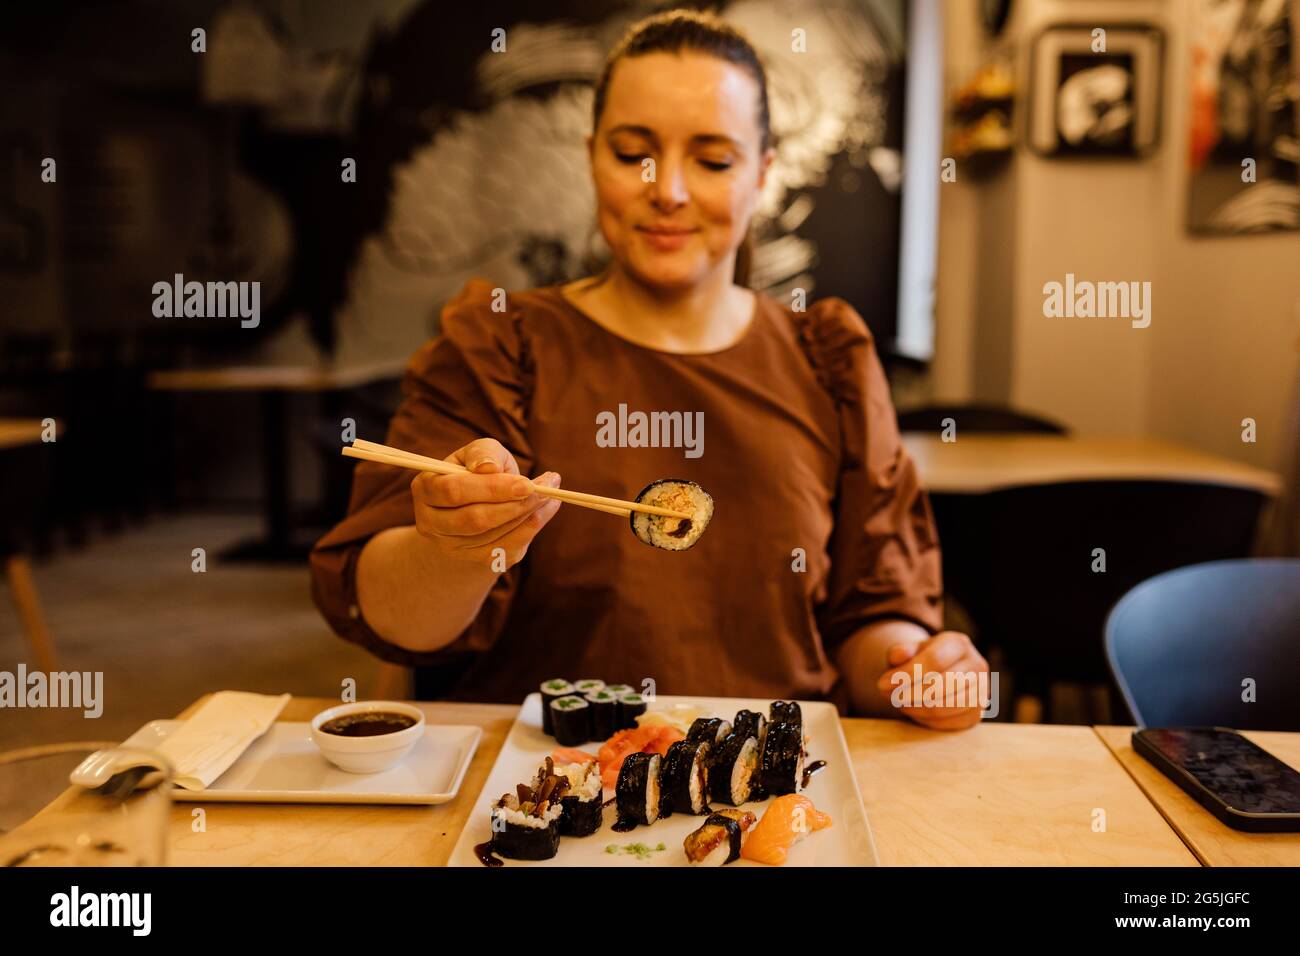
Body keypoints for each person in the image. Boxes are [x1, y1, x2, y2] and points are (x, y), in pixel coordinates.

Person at [311, 9, 989, 729]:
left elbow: (871, 616)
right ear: (591, 155)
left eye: (713, 160)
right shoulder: (501, 344)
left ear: (763, 174)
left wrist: (917, 675)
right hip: (541, 791)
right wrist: (452, 550)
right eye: (634, 151)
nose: (666, 188)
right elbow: (398, 621)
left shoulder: (828, 358)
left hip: (770, 788)